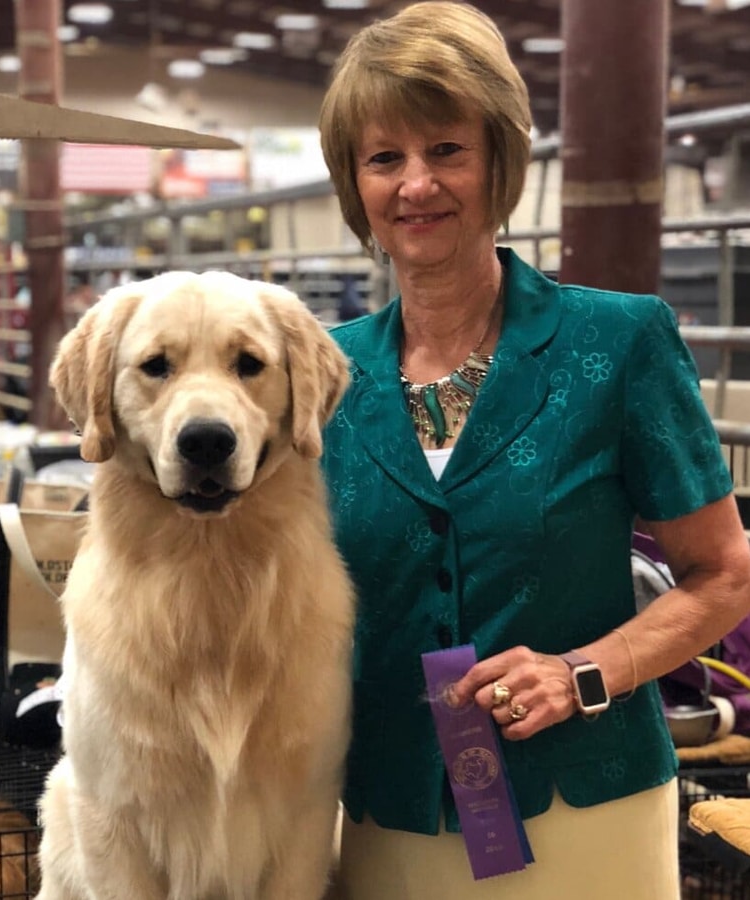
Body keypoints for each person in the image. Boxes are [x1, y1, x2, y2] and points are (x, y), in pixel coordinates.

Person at [317, 3, 750, 898]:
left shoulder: (618, 343)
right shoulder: (321, 372)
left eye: (447, 150)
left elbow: (725, 577)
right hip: (385, 811)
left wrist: (583, 673)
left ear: (500, 162)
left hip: (583, 812)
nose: (416, 186)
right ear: (353, 182)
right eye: (384, 157)